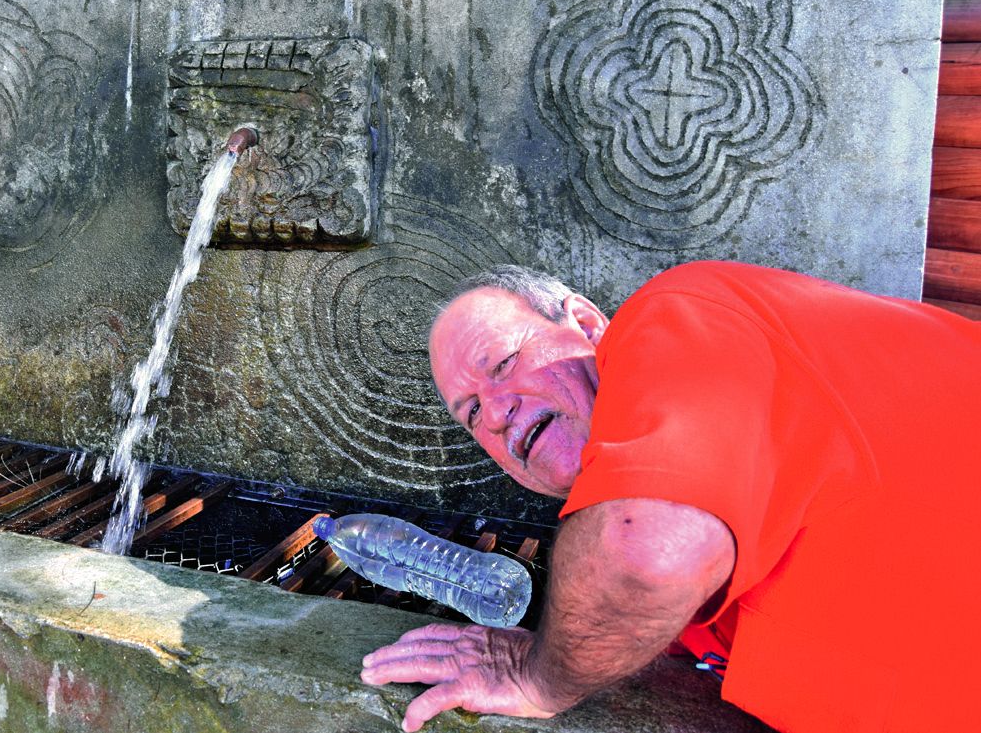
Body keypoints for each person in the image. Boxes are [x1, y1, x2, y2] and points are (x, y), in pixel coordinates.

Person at [359, 260, 981, 733]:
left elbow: (646, 554)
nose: (495, 414)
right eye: (471, 413)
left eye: (502, 364)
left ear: (585, 324)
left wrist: (537, 677)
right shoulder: (660, 572)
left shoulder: (676, 312)